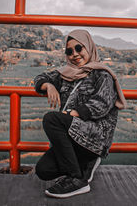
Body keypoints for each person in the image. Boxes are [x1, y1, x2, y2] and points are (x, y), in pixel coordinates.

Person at [34, 29, 126, 198]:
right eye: (69, 51)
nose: (74, 54)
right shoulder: (65, 74)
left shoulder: (102, 74)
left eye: (79, 48)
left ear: (89, 48)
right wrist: (48, 85)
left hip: (94, 135)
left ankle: (77, 180)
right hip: (73, 136)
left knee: (51, 119)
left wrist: (74, 113)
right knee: (43, 170)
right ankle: (85, 165)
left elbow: (102, 103)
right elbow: (41, 77)